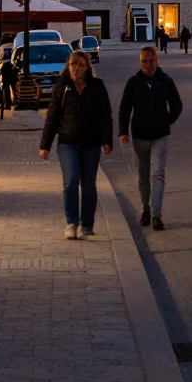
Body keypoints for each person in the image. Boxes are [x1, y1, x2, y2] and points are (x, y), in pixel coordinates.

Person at [40, 50, 113, 240]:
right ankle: (72, 222)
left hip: (91, 143)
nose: (76, 68)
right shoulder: (62, 87)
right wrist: (45, 145)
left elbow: (105, 116)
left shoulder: (96, 86)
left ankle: (86, 225)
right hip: (67, 143)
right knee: (71, 181)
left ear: (87, 67)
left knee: (89, 184)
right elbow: (52, 117)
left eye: (80, 64)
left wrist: (107, 140)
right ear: (68, 66)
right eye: (73, 64)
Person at [119, 44, 183, 231]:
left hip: (160, 136)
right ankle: (145, 208)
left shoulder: (166, 81)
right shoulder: (134, 82)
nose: (148, 64)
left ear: (157, 60)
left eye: (151, 60)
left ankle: (156, 214)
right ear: (140, 62)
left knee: (158, 173)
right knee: (143, 176)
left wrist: (165, 121)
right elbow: (125, 107)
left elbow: (177, 105)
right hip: (139, 136)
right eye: (144, 61)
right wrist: (123, 131)